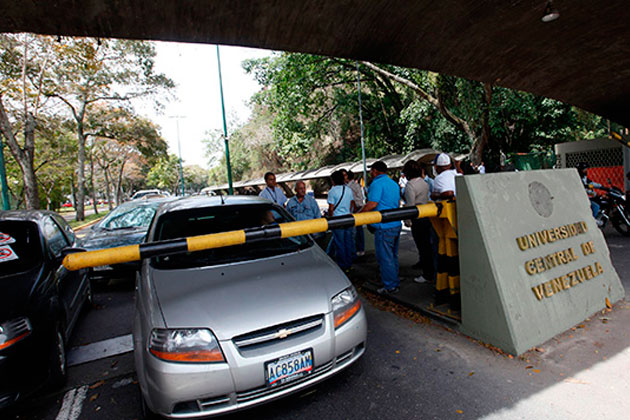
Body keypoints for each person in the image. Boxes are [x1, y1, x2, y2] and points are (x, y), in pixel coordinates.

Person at [359, 161, 402, 294]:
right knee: (392, 255)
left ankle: (390, 285)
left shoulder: (377, 184)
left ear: (376, 171)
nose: (370, 173)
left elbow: (372, 204)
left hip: (384, 226)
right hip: (396, 224)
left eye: (371, 170)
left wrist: (358, 216)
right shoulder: (393, 184)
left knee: (385, 257)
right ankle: (394, 279)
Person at [402, 160, 435, 285]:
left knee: (422, 247)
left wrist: (407, 220)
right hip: (426, 216)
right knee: (427, 246)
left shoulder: (410, 185)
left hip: (417, 218)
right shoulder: (424, 183)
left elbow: (410, 205)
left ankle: (427, 274)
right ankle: (429, 270)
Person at [327, 170, 355, 272]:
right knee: (348, 242)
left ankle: (343, 266)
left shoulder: (332, 191)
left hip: (337, 220)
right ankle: (349, 264)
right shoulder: (348, 189)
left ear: (333, 180)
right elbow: (352, 204)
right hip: (348, 218)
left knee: (340, 244)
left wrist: (330, 219)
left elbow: (331, 208)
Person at [346, 170, 366, 257]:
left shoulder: (351, 186)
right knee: (358, 229)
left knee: (358, 230)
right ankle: (360, 249)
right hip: (358, 207)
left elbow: (356, 199)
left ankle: (359, 249)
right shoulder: (355, 185)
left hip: (356, 209)